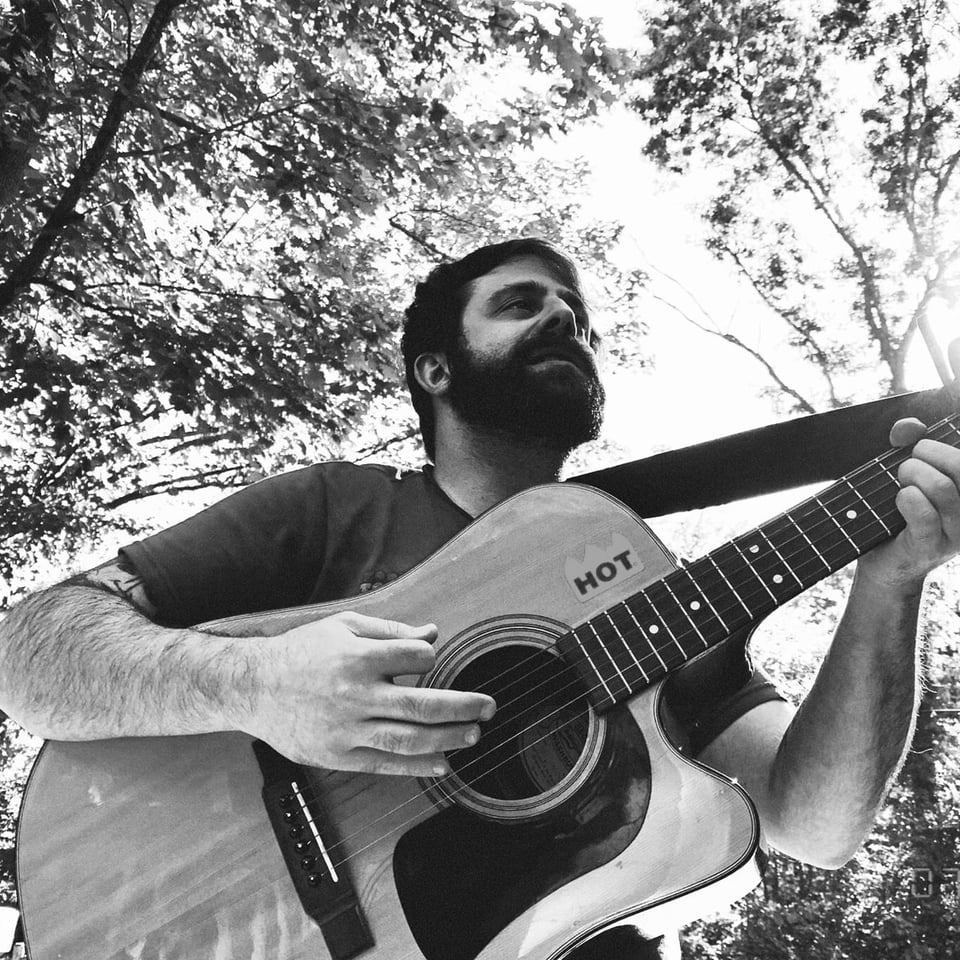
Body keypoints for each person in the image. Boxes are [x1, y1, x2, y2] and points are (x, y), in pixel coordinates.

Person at [2, 237, 960, 959]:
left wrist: (890, 580)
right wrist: (253, 685)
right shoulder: (333, 511)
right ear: (433, 369)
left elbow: (815, 826)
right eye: (520, 303)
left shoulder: (660, 589)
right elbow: (28, 654)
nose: (565, 323)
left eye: (580, 318)